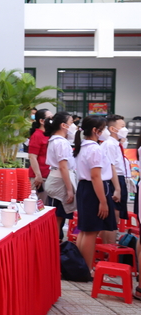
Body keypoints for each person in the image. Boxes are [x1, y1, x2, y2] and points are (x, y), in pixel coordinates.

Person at [73, 116, 116, 269]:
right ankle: (86, 268)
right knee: (91, 231)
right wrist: (103, 202)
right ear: (95, 130)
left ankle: (81, 267)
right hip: (93, 190)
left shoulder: (83, 146)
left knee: (85, 230)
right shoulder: (94, 148)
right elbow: (95, 176)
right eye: (103, 129)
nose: (105, 132)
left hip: (86, 188)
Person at [44, 112, 77, 240]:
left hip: (59, 179)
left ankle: (56, 243)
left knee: (60, 216)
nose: (74, 126)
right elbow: (63, 167)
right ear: (64, 125)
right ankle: (54, 244)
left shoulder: (59, 141)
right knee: (57, 217)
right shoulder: (60, 142)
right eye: (71, 122)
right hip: (59, 181)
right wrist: (69, 189)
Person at [105, 114, 128, 225]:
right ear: (112, 129)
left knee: (118, 211)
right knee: (114, 213)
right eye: (122, 126)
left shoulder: (116, 144)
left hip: (119, 178)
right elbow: (111, 166)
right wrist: (117, 188)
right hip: (114, 179)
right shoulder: (109, 144)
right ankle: (111, 234)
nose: (125, 129)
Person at [28, 108, 52, 202]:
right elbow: (32, 157)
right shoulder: (37, 135)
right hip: (40, 175)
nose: (52, 120)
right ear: (42, 121)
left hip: (48, 174)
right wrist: (38, 175)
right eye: (50, 118)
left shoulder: (48, 134)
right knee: (40, 203)